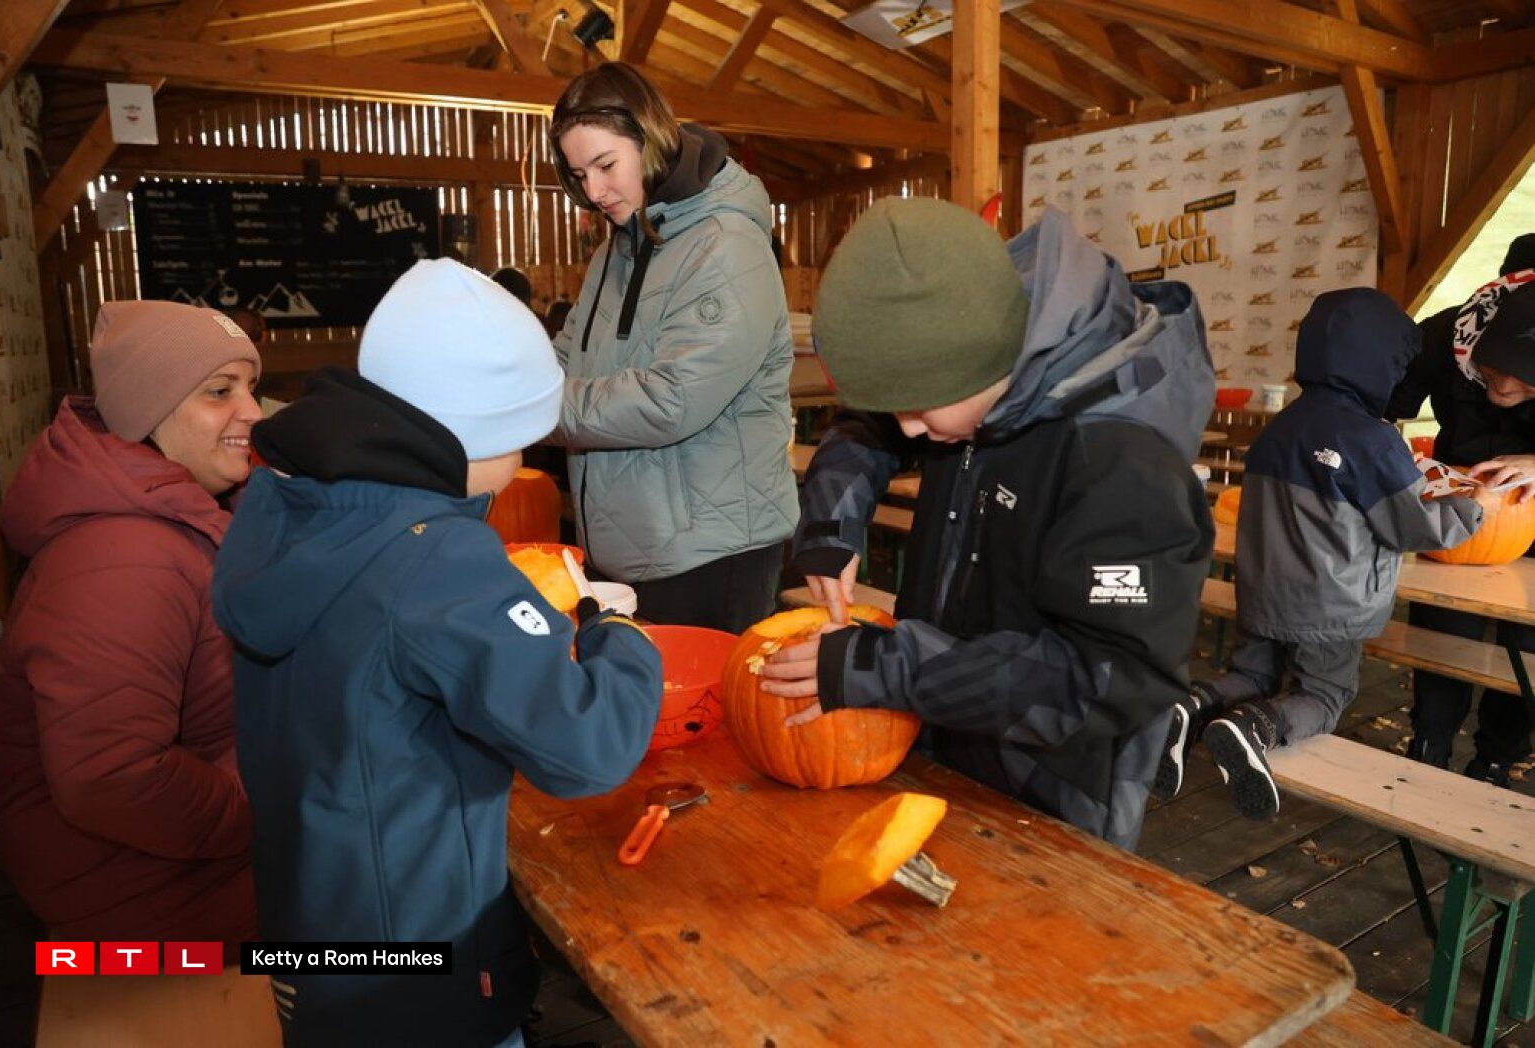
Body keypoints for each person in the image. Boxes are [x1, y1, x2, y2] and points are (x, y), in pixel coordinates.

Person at [212, 259, 662, 1047]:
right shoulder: (439, 558)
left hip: (320, 936)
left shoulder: (281, 500)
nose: (523, 464)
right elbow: (586, 747)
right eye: (521, 439)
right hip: (426, 971)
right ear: (473, 432)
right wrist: (618, 635)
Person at [760, 199, 1215, 850]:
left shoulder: (1123, 463)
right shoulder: (971, 356)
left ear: (984, 365)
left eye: (919, 408)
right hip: (937, 735)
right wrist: (833, 524)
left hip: (1049, 794)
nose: (908, 428)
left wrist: (893, 670)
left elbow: (1107, 680)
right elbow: (867, 426)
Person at [0, 300, 260, 956]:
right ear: (148, 411)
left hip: (181, 861)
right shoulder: (125, 557)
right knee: (414, 947)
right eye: (220, 391)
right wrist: (265, 809)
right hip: (149, 895)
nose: (253, 410)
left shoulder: (183, 514)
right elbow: (112, 777)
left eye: (252, 387)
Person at [1159, 289, 1485, 820]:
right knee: (1325, 695)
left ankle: (1191, 704)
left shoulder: (1277, 430)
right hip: (1332, 608)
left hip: (1262, 596)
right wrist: (1474, 505)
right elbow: (1417, 527)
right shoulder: (1373, 441)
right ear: (1383, 364)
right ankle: (1257, 728)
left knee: (1254, 676)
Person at [546, 62, 797, 634]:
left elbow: (673, 398)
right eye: (579, 175)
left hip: (710, 552)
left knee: (700, 693)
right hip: (633, 543)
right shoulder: (617, 248)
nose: (594, 192)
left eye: (606, 165)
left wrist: (533, 407)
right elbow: (568, 355)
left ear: (651, 138)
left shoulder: (725, 243)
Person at [1387, 240, 1535, 786]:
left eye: (1528, 375)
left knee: (1527, 647)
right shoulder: (1444, 333)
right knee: (1444, 627)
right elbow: (1380, 406)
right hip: (1452, 513)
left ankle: (1497, 757)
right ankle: (1429, 741)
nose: (1505, 387)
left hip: (1528, 518)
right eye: (1494, 366)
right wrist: (1390, 457)